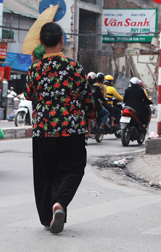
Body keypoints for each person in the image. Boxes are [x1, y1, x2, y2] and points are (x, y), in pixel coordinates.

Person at [24, 22, 95, 234]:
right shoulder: (74, 67)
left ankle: (48, 216)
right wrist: (89, 121)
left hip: (44, 130)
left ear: (41, 43)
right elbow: (87, 98)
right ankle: (60, 203)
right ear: (62, 40)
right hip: (72, 128)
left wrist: (36, 65)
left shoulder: (35, 69)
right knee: (73, 169)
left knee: (46, 174)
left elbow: (29, 95)